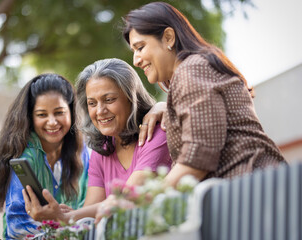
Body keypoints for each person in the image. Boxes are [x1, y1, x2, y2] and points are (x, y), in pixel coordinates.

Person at [122, 2, 286, 186]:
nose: (135, 60)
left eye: (140, 47)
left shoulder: (192, 69)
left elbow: (197, 159)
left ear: (168, 37)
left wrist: (143, 201)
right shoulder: (192, 72)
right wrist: (162, 108)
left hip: (254, 190)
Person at [23, 58, 172, 223]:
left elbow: (126, 198)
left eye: (109, 100)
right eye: (92, 103)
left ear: (131, 98)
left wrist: (66, 217)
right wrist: (64, 216)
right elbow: (92, 213)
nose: (100, 111)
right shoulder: (102, 149)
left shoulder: (156, 133)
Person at [0, 73, 89, 239]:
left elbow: (88, 210)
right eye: (42, 115)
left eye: (59, 112)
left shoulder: (82, 154)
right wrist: (63, 222)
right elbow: (16, 227)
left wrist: (60, 219)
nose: (52, 121)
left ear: (71, 112)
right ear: (30, 118)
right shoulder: (26, 158)